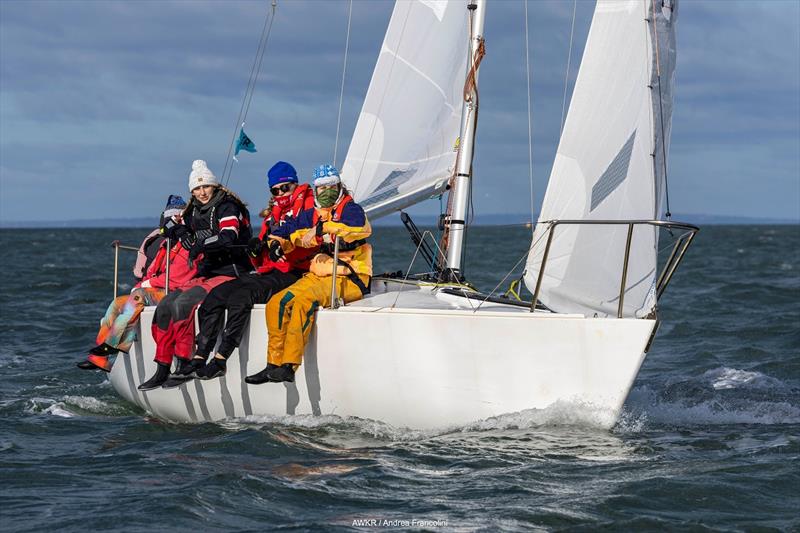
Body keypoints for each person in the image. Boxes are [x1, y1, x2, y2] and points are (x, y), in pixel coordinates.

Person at [179, 161, 317, 382]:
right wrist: (257, 247)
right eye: (275, 190)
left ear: (295, 184)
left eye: (286, 188)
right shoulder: (274, 212)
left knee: (242, 297)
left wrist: (280, 245)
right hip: (270, 270)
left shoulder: (309, 205)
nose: (281, 193)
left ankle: (221, 359)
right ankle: (199, 357)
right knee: (216, 295)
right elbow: (262, 245)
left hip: (296, 272)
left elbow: (305, 232)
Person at [245, 164, 372, 385]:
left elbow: (358, 229)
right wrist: (274, 243)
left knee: (303, 301)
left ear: (340, 186)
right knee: (277, 303)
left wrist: (322, 229)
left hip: (350, 277)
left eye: (331, 186)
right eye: (321, 188)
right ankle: (273, 364)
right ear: (316, 189)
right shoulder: (311, 213)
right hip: (320, 274)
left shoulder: (351, 210)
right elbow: (285, 229)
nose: (326, 191)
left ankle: (289, 365)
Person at [138, 160, 252, 390]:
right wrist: (180, 231)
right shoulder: (193, 211)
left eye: (206, 187)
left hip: (231, 272)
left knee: (184, 303)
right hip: (208, 273)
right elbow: (166, 226)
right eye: (197, 189)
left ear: (214, 186)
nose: (202, 192)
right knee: (166, 304)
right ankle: (162, 367)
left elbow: (228, 236)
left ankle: (184, 363)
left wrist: (200, 244)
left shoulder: (227, 207)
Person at [76, 195, 194, 371]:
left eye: (175, 219)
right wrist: (144, 283)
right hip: (157, 288)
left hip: (177, 291)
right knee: (117, 303)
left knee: (138, 296)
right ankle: (100, 356)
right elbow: (152, 269)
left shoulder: (187, 242)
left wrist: (144, 285)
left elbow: (178, 277)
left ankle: (112, 344)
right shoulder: (165, 243)